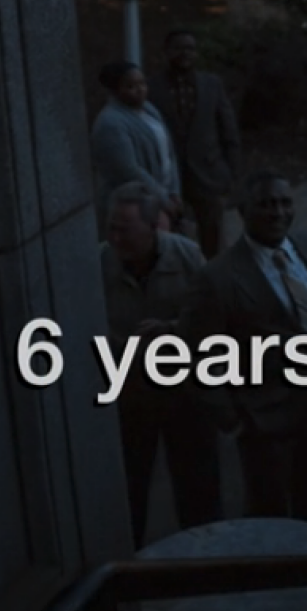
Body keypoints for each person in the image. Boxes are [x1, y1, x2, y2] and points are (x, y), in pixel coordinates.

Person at [182, 172, 307, 525]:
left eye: (284, 202)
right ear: (243, 211)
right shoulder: (218, 277)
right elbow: (199, 358)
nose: (277, 212)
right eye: (266, 204)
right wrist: (233, 420)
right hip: (266, 422)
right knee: (270, 519)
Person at [100, 181, 219, 546]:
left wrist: (171, 329)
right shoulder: (97, 264)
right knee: (128, 489)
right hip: (130, 394)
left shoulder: (187, 256)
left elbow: (211, 316)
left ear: (154, 227)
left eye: (126, 230)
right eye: (112, 228)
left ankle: (206, 563)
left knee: (197, 487)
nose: (116, 238)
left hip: (185, 391)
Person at [148, 28, 242, 257]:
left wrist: (232, 173)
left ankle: (215, 281)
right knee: (169, 238)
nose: (185, 53)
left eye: (190, 48)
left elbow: (228, 130)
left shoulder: (211, 84)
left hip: (209, 174)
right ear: (167, 52)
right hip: (168, 177)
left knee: (214, 237)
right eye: (179, 48)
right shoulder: (151, 87)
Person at [90, 60, 184, 228]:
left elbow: (169, 153)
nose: (140, 90)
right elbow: (129, 171)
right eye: (131, 86)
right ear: (115, 90)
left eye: (142, 83)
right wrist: (163, 199)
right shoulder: (110, 123)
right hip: (133, 207)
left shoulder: (149, 109)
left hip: (162, 195)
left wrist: (174, 192)